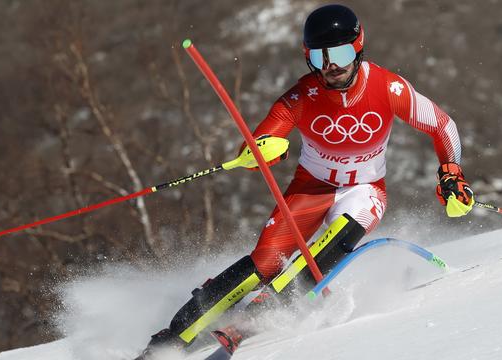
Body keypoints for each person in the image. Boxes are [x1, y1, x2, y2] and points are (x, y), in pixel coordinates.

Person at [136, 3, 474, 358]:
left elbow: (442, 125)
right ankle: (171, 340)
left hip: (364, 189)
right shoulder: (299, 97)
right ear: (307, 56)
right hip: (310, 188)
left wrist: (451, 172)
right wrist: (261, 151)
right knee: (265, 262)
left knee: (329, 246)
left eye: (341, 54)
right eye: (321, 56)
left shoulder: (388, 88)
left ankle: (249, 322)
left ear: (358, 48)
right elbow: (264, 138)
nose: (332, 67)